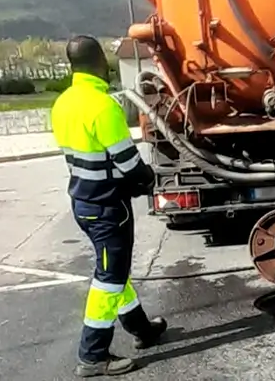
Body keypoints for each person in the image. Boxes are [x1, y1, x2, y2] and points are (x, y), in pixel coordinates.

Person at [51, 35, 167, 377]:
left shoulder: (63, 103)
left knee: (115, 271)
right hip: (108, 207)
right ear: (101, 61)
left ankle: (142, 329)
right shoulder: (103, 106)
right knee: (109, 277)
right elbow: (128, 161)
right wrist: (147, 180)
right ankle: (92, 354)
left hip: (84, 202)